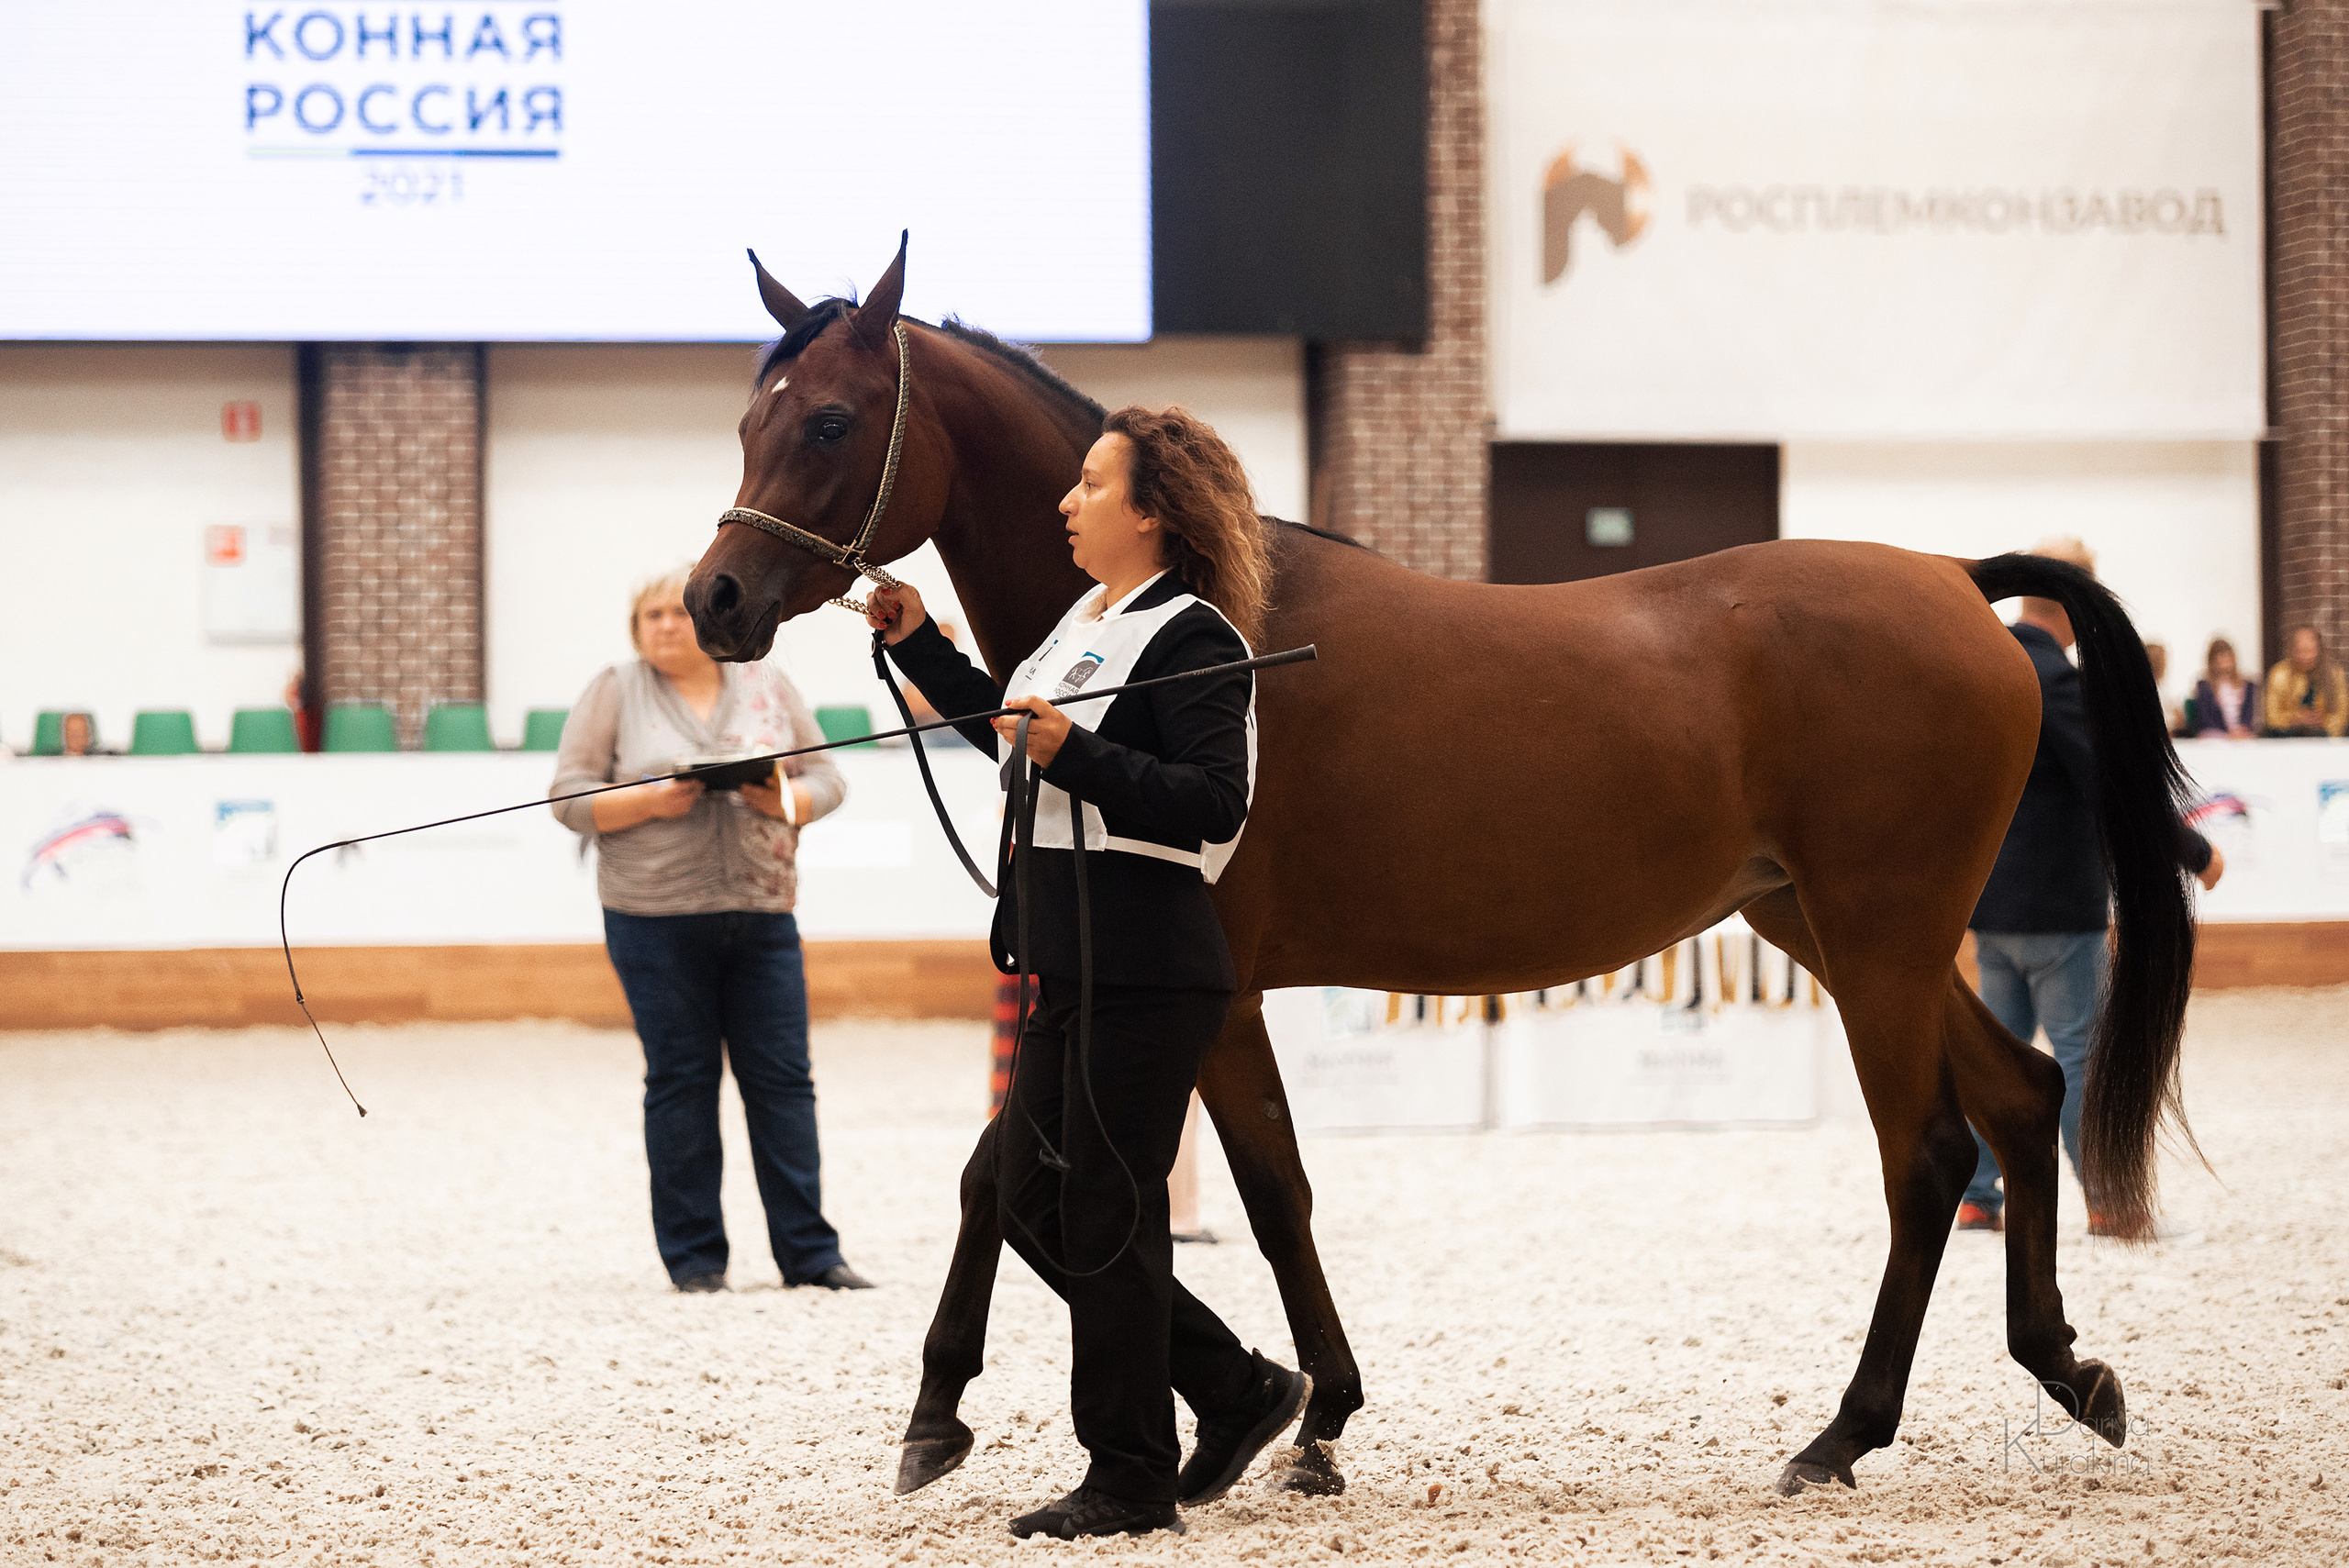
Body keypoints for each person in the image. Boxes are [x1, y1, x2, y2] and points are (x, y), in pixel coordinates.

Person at [869, 406, 1308, 1540]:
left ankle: (1129, 1475)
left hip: (1147, 960)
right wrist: (920, 645)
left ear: (1153, 509)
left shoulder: (1196, 636)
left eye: (1093, 484)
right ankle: (1235, 1385)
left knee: (1107, 1207)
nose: (1067, 502)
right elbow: (1016, 733)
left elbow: (1213, 800)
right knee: (1027, 1195)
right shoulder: (1083, 623)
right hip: (1069, 959)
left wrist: (1081, 751)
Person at [550, 569, 870, 1295]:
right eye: (651, 615)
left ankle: (811, 1254)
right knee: (681, 1080)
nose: (665, 625)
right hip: (652, 918)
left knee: (784, 1082)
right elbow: (567, 797)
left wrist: (782, 798)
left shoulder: (767, 682)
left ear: (706, 620)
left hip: (763, 910)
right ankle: (695, 1259)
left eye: (676, 612)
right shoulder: (614, 689)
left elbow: (828, 780)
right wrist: (648, 802)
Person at [1955, 539, 2222, 1241]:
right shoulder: (2057, 680)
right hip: (2059, 909)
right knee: (2081, 1056)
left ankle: (1976, 1196)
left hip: (1991, 905)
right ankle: (2111, 1202)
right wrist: (2193, 851)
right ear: (2073, 603)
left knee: (1998, 1054)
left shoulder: (1982, 665)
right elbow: (2115, 786)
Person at [2263, 624, 2348, 737]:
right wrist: (2296, 718)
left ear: (2319, 650)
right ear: (2292, 651)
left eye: (2311, 650)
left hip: (2326, 737)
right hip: (2288, 737)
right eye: (2301, 651)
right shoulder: (2279, 674)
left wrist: (2323, 722)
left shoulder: (2335, 673)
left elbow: (2342, 714)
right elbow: (2271, 717)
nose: (2306, 656)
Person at [2189, 639, 2258, 740]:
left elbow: (2249, 714)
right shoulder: (2204, 687)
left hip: (2241, 734)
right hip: (2215, 734)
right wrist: (2227, 733)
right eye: (2219, 661)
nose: (2224, 665)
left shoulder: (2247, 685)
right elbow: (2205, 718)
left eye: (2227, 660)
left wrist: (2240, 730)